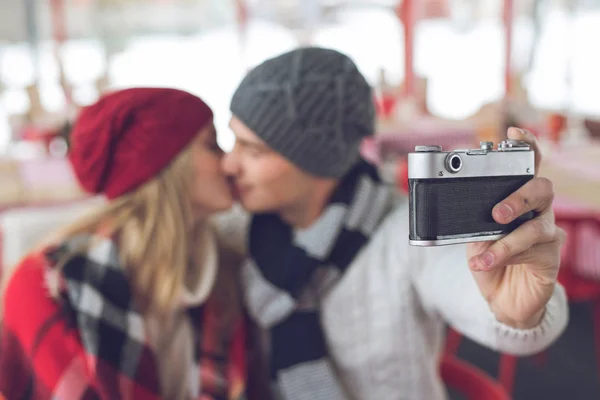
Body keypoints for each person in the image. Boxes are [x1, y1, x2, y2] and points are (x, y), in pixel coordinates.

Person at [221, 47, 569, 400]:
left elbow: (490, 301)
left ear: (315, 160)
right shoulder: (243, 235)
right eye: (231, 141)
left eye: (252, 150)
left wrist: (520, 314)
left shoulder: (407, 232)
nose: (229, 165)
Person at [0, 88, 250, 400]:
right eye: (213, 146)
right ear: (166, 166)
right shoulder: (45, 284)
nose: (230, 164)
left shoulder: (222, 269)